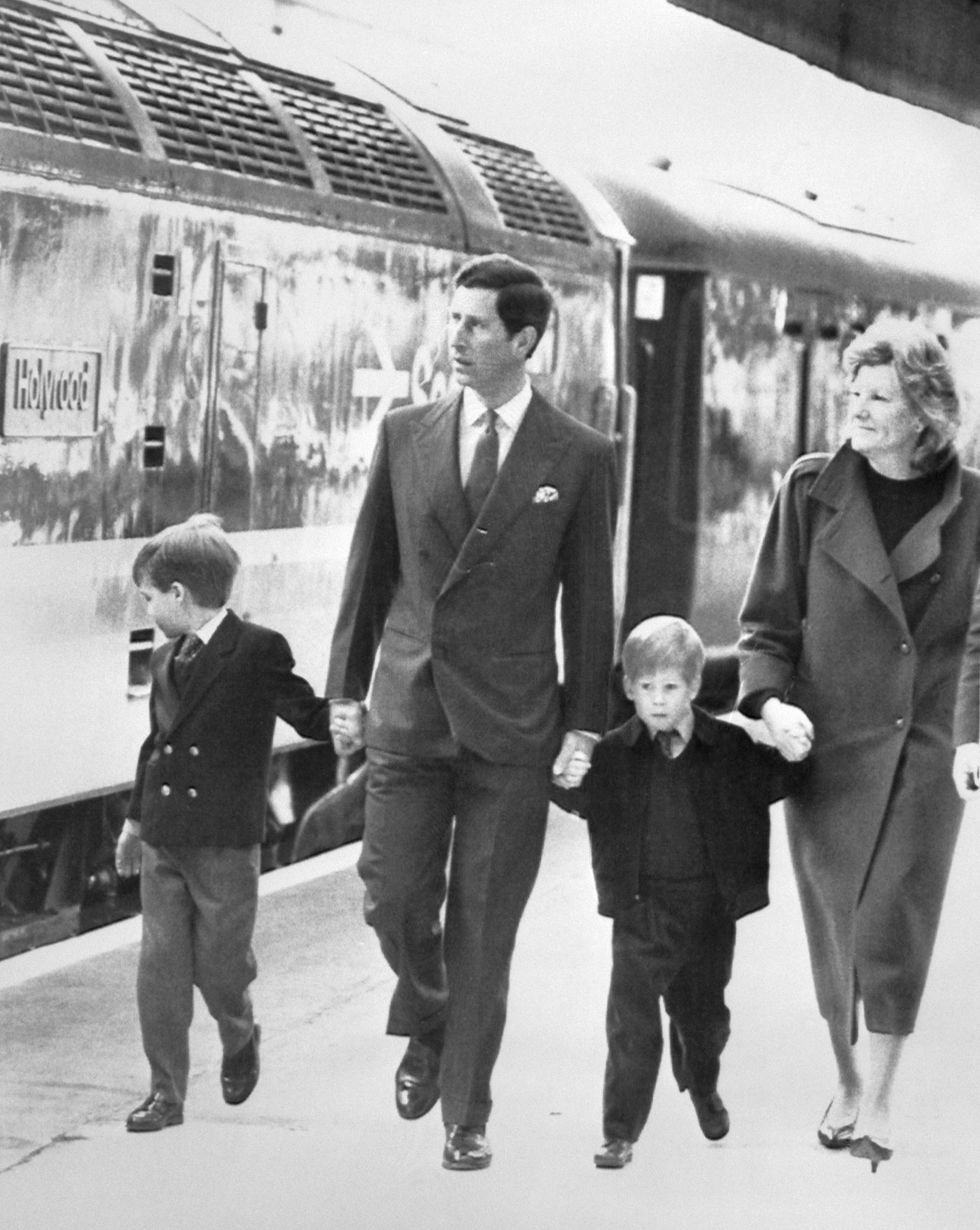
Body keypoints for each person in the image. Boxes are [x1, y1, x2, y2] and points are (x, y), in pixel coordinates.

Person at [326, 253, 617, 1170]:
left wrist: (584, 722)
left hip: (514, 727)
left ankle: (467, 1112)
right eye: (451, 320)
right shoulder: (405, 431)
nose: (454, 337)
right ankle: (428, 1011)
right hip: (409, 711)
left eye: (476, 325)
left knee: (485, 930)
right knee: (393, 898)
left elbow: (589, 601)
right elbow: (370, 567)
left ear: (525, 340)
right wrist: (343, 688)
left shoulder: (577, 453)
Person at [737, 317, 980, 1172]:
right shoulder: (809, 490)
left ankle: (878, 1096)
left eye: (880, 396)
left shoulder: (976, 501)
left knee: (893, 925)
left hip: (929, 743)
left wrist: (973, 735)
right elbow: (766, 622)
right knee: (836, 928)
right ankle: (844, 1076)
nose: (859, 409)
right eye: (855, 393)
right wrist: (768, 707)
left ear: (925, 411)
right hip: (827, 744)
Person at [115, 513, 332, 1132]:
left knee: (220, 969)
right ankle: (166, 1094)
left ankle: (238, 1034)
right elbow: (156, 745)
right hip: (164, 836)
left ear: (179, 594)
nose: (148, 608)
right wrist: (134, 822)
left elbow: (307, 713)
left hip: (224, 842)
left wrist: (354, 717)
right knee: (159, 970)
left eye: (150, 596)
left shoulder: (257, 650)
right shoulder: (164, 660)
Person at [567, 616, 804, 1170]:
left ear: (695, 687)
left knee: (704, 1021)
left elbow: (788, 777)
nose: (655, 699)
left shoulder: (732, 749)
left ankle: (702, 1082)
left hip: (709, 911)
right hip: (641, 909)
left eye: (669, 687)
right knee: (629, 1021)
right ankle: (619, 1132)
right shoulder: (612, 756)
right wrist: (564, 776)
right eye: (644, 687)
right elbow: (575, 798)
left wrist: (797, 748)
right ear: (627, 688)